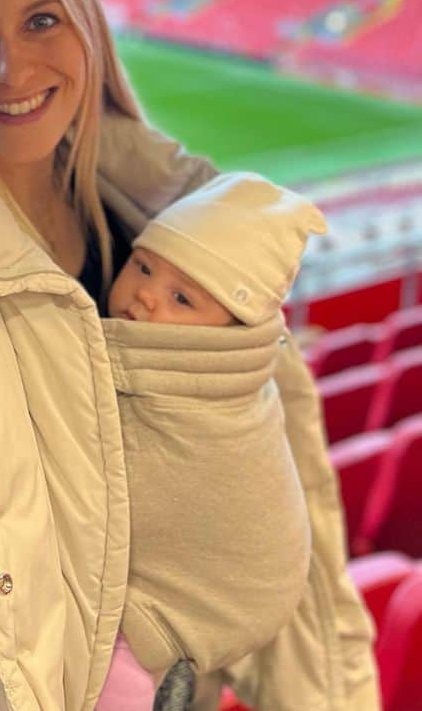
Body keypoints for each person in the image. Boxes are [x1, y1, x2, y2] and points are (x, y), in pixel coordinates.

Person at [0, 0, 377, 710]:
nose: (13, 70)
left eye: (41, 21)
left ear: (89, 29)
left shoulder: (166, 227)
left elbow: (281, 490)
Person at [97, 172, 324, 707]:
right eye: (143, 266)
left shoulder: (216, 389)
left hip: (168, 620)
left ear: (230, 330)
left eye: (182, 297)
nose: (147, 296)